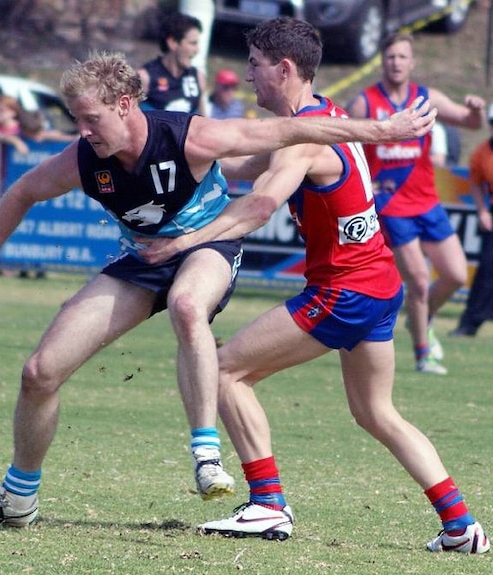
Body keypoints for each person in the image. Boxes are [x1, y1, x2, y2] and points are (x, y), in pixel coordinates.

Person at [0, 51, 435, 527]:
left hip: (208, 246)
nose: (83, 131)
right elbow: (22, 192)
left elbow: (290, 128)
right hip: (145, 259)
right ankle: (18, 496)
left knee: (187, 303)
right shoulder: (82, 158)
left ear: (125, 104)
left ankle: (206, 455)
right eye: (76, 120)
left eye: (91, 118)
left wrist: (382, 131)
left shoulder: (187, 136)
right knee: (40, 371)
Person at [136, 17, 487, 553]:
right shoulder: (321, 119)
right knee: (376, 412)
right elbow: (243, 164)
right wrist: (162, 152)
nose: (248, 76)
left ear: (283, 68)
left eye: (254, 65)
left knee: (226, 370)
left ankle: (268, 505)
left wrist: (182, 244)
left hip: (343, 292)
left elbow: (260, 204)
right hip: (377, 283)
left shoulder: (302, 141)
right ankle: (462, 526)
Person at [346, 32, 486, 375]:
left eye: (402, 57)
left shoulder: (425, 97)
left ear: (413, 62)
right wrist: (367, 184)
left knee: (455, 274)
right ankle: (424, 353)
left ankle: (420, 319)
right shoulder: (365, 103)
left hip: (427, 202)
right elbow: (344, 145)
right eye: (390, 56)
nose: (396, 62)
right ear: (383, 61)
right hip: (390, 204)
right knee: (420, 280)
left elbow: (469, 123)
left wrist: (476, 110)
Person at [449, 104, 493, 337]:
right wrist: (483, 211)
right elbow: (476, 184)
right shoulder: (482, 153)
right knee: (487, 271)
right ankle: (470, 324)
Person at [138, 11, 207, 115]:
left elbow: (205, 122)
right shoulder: (145, 78)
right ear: (173, 42)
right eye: (192, 43)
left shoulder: (198, 77)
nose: (197, 50)